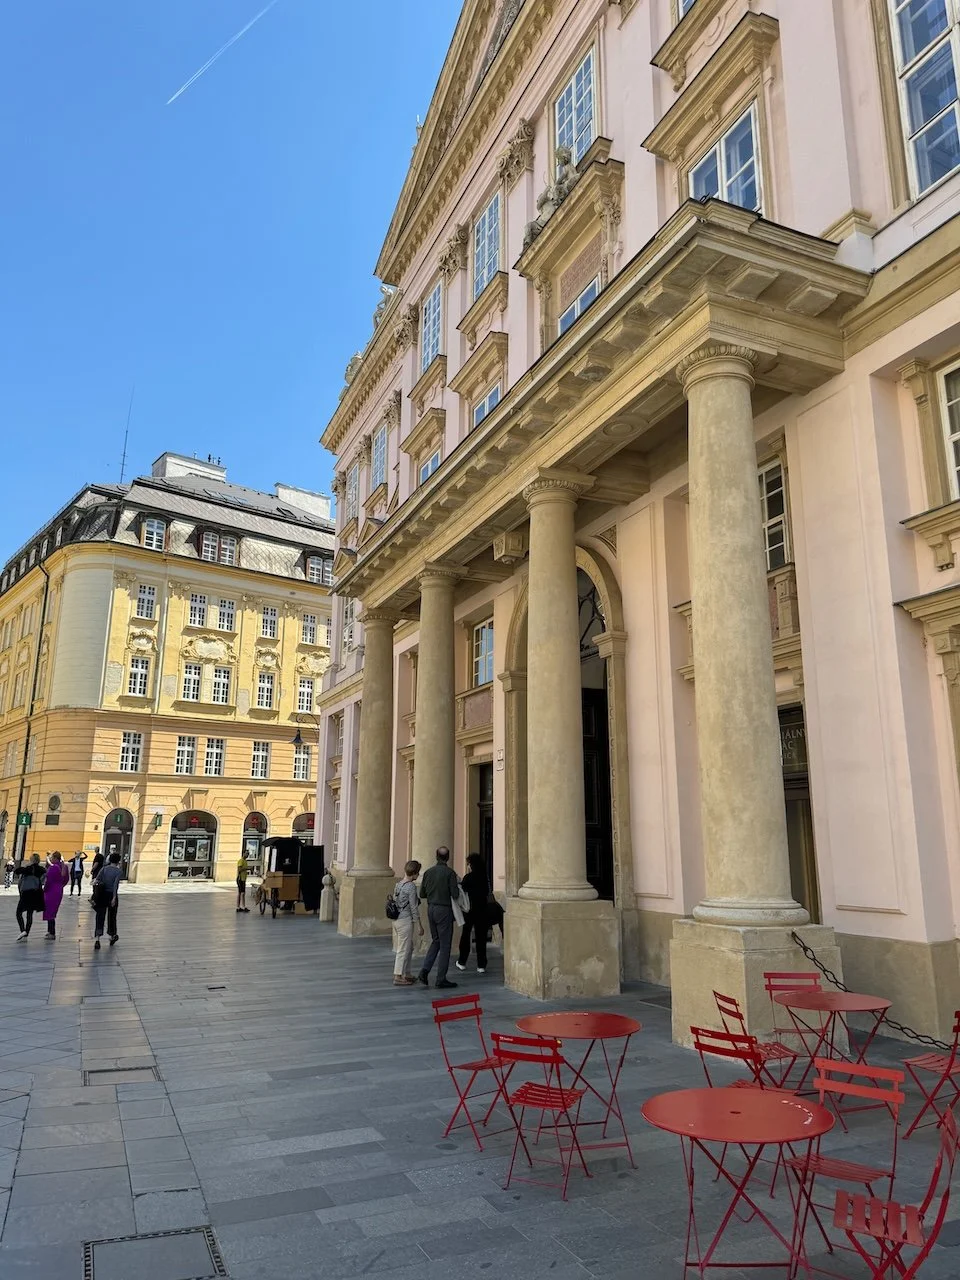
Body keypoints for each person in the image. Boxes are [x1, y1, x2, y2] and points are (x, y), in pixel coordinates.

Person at [417, 847, 460, 990]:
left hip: (431, 909)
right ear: (448, 857)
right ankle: (441, 978)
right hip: (444, 909)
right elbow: (455, 894)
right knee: (445, 945)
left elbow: (422, 894)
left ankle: (424, 971)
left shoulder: (428, 872)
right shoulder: (450, 873)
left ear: (436, 857)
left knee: (436, 941)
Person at [456, 853, 489, 975]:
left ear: (471, 864)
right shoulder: (484, 877)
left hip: (469, 910)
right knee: (481, 938)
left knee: (466, 935)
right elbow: (487, 892)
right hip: (482, 910)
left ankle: (462, 961)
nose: (468, 866)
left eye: (468, 863)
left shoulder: (468, 877)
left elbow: (462, 891)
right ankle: (481, 965)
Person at [392, 860, 422, 986]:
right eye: (418, 872)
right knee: (403, 949)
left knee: (409, 947)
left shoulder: (398, 884)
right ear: (414, 873)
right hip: (405, 920)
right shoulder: (411, 887)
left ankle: (407, 973)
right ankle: (398, 975)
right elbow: (414, 908)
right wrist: (419, 925)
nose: (418, 875)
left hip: (397, 919)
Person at [92, 851, 122, 950]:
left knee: (100, 916)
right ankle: (112, 935)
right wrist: (114, 898)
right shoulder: (118, 871)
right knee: (112, 916)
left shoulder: (104, 869)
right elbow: (115, 885)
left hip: (102, 895)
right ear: (118, 861)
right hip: (111, 895)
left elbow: (96, 880)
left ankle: (97, 939)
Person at [15, 854, 45, 941]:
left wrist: (27, 866)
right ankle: (26, 934)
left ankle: (23, 931)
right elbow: (44, 874)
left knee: (18, 912)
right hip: (35, 894)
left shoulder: (29, 868)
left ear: (32, 860)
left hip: (26, 894)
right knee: (29, 914)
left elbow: (17, 871)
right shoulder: (41, 869)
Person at [42, 852, 70, 940]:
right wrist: (60, 885)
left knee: (49, 911)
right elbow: (66, 879)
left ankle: (52, 932)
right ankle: (50, 931)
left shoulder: (53, 868)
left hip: (51, 892)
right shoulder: (64, 867)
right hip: (59, 891)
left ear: (55, 858)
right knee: (52, 911)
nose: (51, 859)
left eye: (52, 857)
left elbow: (48, 881)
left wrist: (45, 889)